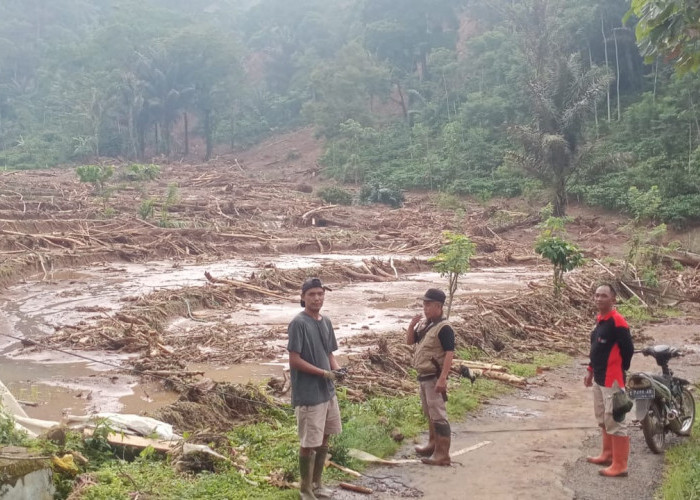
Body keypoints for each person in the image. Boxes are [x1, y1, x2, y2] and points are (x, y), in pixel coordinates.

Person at [287, 277, 345, 499]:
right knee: (308, 443)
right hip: (309, 394)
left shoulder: (325, 321)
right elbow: (294, 360)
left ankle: (318, 484)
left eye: (320, 294)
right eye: (312, 294)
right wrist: (324, 373)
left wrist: (337, 370)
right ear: (303, 297)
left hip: (327, 391)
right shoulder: (298, 323)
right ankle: (305, 489)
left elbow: (329, 353)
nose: (317, 298)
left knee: (324, 438)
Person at [584, 283, 634, 477]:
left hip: (612, 378)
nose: (598, 299)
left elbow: (628, 349)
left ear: (613, 299)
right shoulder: (600, 320)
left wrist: (621, 369)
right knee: (603, 417)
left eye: (603, 296)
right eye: (596, 295)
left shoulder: (618, 321)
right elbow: (596, 350)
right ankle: (607, 454)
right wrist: (590, 371)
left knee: (616, 418)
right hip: (599, 376)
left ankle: (620, 465)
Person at [407, 288, 455, 466]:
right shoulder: (428, 325)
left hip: (434, 378)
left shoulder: (445, 328)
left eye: (428, 305)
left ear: (438, 306)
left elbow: (450, 353)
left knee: (438, 415)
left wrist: (443, 378)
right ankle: (432, 444)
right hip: (424, 377)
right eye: (424, 304)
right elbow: (410, 342)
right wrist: (412, 326)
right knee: (430, 414)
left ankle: (442, 454)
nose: (425, 308)